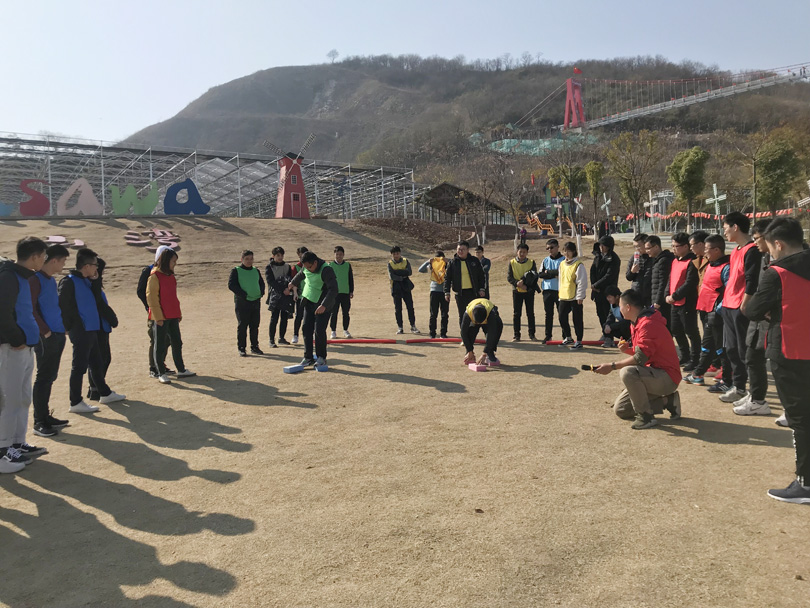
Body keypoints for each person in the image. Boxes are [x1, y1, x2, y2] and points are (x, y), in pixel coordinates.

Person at [744, 218, 810, 504]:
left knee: (800, 419)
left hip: (790, 351)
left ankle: (805, 483)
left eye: (770, 247)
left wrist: (773, 311)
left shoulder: (777, 272)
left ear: (779, 244)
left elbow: (753, 310)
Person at [593, 289, 682, 430]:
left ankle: (646, 417)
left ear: (628, 307)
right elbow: (643, 352)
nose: (619, 309)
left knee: (627, 372)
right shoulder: (636, 322)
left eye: (620, 306)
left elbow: (640, 358)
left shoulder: (648, 324)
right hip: (654, 373)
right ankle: (668, 401)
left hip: (667, 377)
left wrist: (612, 366)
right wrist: (627, 350)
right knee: (621, 409)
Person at [0, 237, 48, 474]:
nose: (44, 260)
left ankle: (17, 444)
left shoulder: (23, 276)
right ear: (35, 256)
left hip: (25, 348)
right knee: (9, 400)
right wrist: (16, 339)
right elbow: (3, 312)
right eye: (44, 256)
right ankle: (3, 449)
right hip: (12, 349)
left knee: (23, 398)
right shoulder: (8, 276)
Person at [59, 248, 126, 412]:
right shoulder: (69, 281)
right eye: (95, 265)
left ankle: (104, 393)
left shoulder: (87, 281)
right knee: (79, 367)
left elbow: (97, 297)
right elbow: (63, 306)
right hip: (81, 330)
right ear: (87, 266)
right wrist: (69, 327)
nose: (97, 268)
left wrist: (96, 280)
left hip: (92, 328)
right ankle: (75, 402)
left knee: (97, 363)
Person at [718, 211, 762, 404]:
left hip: (740, 307)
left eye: (726, 227)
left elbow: (752, 281)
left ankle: (754, 393)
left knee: (745, 351)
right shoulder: (736, 250)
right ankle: (739, 387)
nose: (724, 231)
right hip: (728, 306)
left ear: (735, 227)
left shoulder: (752, 250)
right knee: (732, 349)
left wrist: (745, 304)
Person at [28, 244, 71, 438]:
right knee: (43, 378)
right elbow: (31, 309)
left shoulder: (51, 280)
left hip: (57, 334)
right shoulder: (35, 280)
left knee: (50, 376)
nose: (63, 265)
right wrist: (45, 332)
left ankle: (45, 416)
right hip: (46, 337)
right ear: (54, 260)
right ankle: (39, 422)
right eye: (63, 261)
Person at [732, 219, 772, 416]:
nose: (755, 242)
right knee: (751, 357)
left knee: (782, 365)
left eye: (757, 238)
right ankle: (756, 397)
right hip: (758, 317)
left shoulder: (789, 261)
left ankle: (763, 401)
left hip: (772, 319)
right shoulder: (765, 257)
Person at [684, 234, 732, 391]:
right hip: (706, 310)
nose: (704, 252)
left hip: (717, 314)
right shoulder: (711, 264)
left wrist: (718, 311)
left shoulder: (726, 268)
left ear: (717, 250)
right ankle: (698, 374)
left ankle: (727, 381)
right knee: (707, 346)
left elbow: (729, 292)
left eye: (707, 249)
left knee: (721, 348)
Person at [146, 248, 196, 384]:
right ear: (166, 261)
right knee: (160, 345)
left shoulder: (171, 276)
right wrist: (158, 317)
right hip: (161, 317)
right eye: (173, 261)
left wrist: (178, 313)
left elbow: (173, 297)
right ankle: (160, 372)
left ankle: (181, 369)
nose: (175, 264)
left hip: (172, 315)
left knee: (177, 342)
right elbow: (152, 299)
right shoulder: (154, 276)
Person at [286, 251, 338, 367]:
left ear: (315, 262)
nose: (307, 269)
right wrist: (292, 282)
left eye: (309, 267)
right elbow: (301, 274)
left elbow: (333, 289)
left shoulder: (326, 270)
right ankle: (308, 357)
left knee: (319, 331)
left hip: (323, 304)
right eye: (305, 267)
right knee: (306, 329)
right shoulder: (306, 267)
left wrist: (324, 305)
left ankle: (321, 357)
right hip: (309, 300)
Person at [666, 232, 701, 370]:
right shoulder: (675, 260)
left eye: (676, 246)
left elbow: (690, 283)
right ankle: (685, 355)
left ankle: (695, 358)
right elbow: (670, 279)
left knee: (691, 331)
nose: (673, 249)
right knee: (676, 329)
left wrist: (675, 295)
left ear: (686, 246)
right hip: (674, 302)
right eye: (672, 246)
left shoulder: (692, 261)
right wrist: (667, 294)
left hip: (686, 302)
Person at [137, 245, 173, 378]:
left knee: (167, 339)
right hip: (154, 312)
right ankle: (153, 367)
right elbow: (141, 291)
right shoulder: (149, 270)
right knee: (156, 339)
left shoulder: (167, 271)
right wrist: (149, 306)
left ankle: (161, 364)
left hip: (167, 312)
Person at [87, 258, 119, 401]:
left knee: (101, 359)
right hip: (98, 326)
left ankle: (95, 388)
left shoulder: (94, 284)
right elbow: (99, 305)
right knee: (100, 360)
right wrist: (112, 318)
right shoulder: (91, 285)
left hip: (101, 326)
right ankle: (97, 389)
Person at [228, 249, 265, 356]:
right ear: (242, 259)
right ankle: (242, 348)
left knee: (254, 326)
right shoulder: (236, 270)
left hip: (255, 301)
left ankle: (255, 347)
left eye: (251, 259)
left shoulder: (256, 270)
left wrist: (261, 292)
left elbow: (261, 283)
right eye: (247, 259)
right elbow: (231, 285)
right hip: (242, 303)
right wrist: (244, 294)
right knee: (242, 326)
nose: (249, 261)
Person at [444, 241, 486, 326]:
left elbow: (481, 276)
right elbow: (447, 279)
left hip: (473, 292)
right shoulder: (452, 263)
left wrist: (482, 288)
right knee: (463, 315)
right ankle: (464, 333)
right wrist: (447, 292)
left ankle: (473, 333)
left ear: (468, 250)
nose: (460, 251)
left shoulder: (474, 261)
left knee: (473, 314)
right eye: (459, 249)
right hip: (460, 294)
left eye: (463, 249)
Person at [590, 235, 621, 344]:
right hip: (597, 291)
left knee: (608, 314)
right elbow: (592, 271)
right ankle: (604, 332)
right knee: (600, 313)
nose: (601, 247)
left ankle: (609, 337)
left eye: (603, 245)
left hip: (608, 291)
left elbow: (610, 275)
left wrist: (597, 285)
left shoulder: (614, 259)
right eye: (600, 245)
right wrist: (594, 285)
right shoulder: (597, 256)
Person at [557, 241, 588, 350]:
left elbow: (582, 282)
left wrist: (580, 296)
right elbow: (561, 279)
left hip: (575, 297)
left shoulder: (578, 265)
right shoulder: (561, 264)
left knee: (577, 319)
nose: (566, 253)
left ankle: (579, 341)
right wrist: (559, 293)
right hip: (564, 295)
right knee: (561, 317)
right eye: (565, 251)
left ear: (573, 251)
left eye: (569, 251)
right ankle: (568, 337)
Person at [507, 243, 538, 342]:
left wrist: (526, 286)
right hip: (517, 291)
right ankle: (516, 335)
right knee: (517, 314)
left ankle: (532, 334)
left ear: (527, 253)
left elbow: (534, 276)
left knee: (530, 313)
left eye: (524, 252)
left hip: (529, 292)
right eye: (520, 252)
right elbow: (509, 277)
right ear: (517, 252)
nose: (522, 254)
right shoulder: (512, 262)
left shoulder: (531, 262)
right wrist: (517, 283)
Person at [265, 246, 294, 348]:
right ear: (273, 256)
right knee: (274, 318)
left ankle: (282, 338)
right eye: (278, 255)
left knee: (284, 317)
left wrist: (288, 289)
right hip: (275, 296)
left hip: (286, 295)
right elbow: (271, 281)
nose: (280, 257)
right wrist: (283, 289)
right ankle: (271, 340)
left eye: (281, 255)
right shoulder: (269, 267)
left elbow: (290, 279)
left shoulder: (287, 266)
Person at [387, 246, 420, 335]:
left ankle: (413, 326)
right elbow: (392, 276)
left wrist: (397, 272)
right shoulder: (390, 263)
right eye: (394, 254)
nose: (396, 256)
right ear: (392, 255)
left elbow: (409, 272)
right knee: (398, 309)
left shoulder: (405, 261)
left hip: (406, 286)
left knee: (410, 307)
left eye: (397, 253)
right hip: (396, 287)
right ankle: (400, 327)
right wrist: (402, 275)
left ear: (400, 253)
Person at [646, 235, 676, 330]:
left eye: (648, 248)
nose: (647, 251)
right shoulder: (656, 260)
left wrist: (658, 301)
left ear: (656, 247)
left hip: (662, 302)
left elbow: (663, 282)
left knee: (665, 327)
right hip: (657, 299)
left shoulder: (664, 260)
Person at [537, 239, 564, 344]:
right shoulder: (545, 260)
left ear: (557, 247)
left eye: (551, 247)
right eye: (547, 248)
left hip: (560, 291)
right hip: (547, 291)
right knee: (548, 314)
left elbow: (562, 272)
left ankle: (565, 336)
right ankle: (548, 336)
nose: (550, 250)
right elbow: (540, 274)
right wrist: (553, 274)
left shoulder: (563, 260)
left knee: (562, 314)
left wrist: (549, 272)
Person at [461, 298, 503, 366]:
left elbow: (492, 333)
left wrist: (484, 353)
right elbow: (463, 332)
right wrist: (469, 350)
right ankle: (469, 355)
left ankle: (490, 353)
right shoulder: (468, 313)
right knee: (470, 332)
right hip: (474, 318)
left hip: (490, 320)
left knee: (497, 330)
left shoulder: (491, 314)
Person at [418, 251, 449, 339]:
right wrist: (428, 261)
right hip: (434, 291)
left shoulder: (447, 266)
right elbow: (420, 269)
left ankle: (443, 333)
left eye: (441, 259)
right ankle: (432, 333)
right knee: (433, 313)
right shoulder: (432, 266)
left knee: (444, 314)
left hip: (445, 292)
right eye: (437, 259)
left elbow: (456, 265)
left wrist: (447, 260)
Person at [327, 246, 354, 339]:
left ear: (343, 255)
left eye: (341, 254)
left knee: (345, 312)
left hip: (345, 292)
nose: (339, 256)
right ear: (334, 254)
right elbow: (327, 280)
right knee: (334, 313)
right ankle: (333, 331)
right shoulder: (330, 265)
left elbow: (350, 278)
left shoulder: (347, 265)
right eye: (337, 254)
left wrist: (351, 291)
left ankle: (345, 330)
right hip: (334, 293)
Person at [626, 233, 652, 306]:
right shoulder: (634, 258)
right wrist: (632, 271)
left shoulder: (653, 257)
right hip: (636, 293)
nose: (637, 249)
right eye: (635, 246)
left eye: (639, 246)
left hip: (650, 295)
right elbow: (628, 277)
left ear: (646, 244)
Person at [291, 246, 308, 344]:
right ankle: (295, 335)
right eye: (301, 256)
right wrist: (295, 293)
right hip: (300, 295)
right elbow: (294, 281)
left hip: (310, 295)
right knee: (299, 316)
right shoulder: (296, 267)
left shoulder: (311, 266)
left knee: (310, 316)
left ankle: (311, 334)